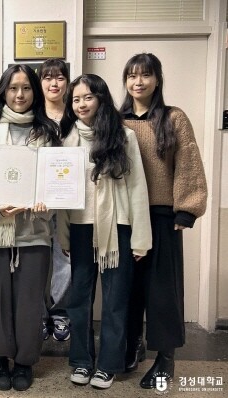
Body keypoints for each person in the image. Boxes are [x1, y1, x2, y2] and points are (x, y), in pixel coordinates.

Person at [0, 64, 60, 391]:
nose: (20, 95)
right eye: (14, 88)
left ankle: (25, 361)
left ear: (35, 92)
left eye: (26, 88)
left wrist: (47, 200)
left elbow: (59, 182)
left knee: (30, 303)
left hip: (34, 234)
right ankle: (0, 360)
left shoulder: (48, 136)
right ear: (4, 92)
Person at [57, 74, 152, 390]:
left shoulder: (123, 137)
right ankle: (82, 362)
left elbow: (138, 188)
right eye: (76, 99)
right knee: (79, 300)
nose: (81, 104)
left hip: (118, 230)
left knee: (115, 301)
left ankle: (108, 365)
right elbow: (62, 195)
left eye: (87, 97)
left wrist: (140, 238)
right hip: (82, 229)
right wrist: (65, 235)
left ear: (100, 98)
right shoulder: (67, 140)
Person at [120, 53, 207, 388]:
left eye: (145, 75)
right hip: (126, 215)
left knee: (161, 291)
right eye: (131, 76)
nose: (138, 82)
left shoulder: (174, 118)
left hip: (162, 215)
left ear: (157, 79)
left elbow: (188, 162)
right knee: (127, 288)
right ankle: (131, 346)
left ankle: (165, 359)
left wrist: (186, 209)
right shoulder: (117, 119)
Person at [38, 58, 72, 342]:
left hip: (67, 202)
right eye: (47, 78)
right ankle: (37, 314)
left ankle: (60, 313)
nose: (53, 83)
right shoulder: (34, 116)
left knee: (64, 260)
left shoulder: (75, 116)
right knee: (35, 259)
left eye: (59, 77)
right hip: (36, 202)